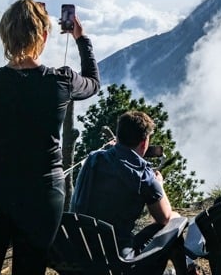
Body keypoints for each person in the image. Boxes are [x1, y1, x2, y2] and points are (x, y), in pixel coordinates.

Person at [0, 0, 100, 275]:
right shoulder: (62, 81)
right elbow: (93, 83)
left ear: (4, 36)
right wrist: (81, 39)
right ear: (44, 36)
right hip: (42, 195)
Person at [71, 110, 189, 273]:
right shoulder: (143, 176)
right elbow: (165, 218)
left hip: (82, 255)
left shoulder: (94, 159)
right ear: (144, 142)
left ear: (118, 136)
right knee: (175, 220)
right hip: (119, 263)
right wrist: (158, 184)